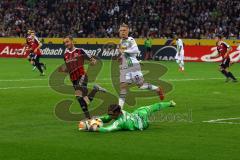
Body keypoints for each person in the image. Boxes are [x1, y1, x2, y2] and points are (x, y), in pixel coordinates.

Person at [59, 36, 107, 119]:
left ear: (72, 41)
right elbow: (69, 68)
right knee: (85, 101)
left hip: (82, 76)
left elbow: (93, 60)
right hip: (73, 79)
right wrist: (64, 70)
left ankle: (88, 118)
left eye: (67, 41)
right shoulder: (65, 55)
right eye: (65, 43)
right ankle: (89, 117)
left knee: (78, 96)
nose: (66, 44)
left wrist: (93, 62)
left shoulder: (80, 51)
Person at [117, 23, 164, 109]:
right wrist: (120, 57)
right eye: (121, 30)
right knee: (123, 86)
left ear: (128, 31)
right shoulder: (121, 42)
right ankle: (119, 109)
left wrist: (125, 52)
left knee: (141, 85)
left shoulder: (130, 40)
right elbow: (124, 54)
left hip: (133, 66)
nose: (122, 32)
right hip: (125, 67)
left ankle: (157, 89)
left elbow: (136, 50)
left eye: (124, 30)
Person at [86, 100, 176, 132]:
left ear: (117, 113)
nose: (109, 115)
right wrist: (92, 120)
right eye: (109, 113)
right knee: (150, 108)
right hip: (136, 114)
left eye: (111, 114)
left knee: (154, 107)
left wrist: (93, 128)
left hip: (142, 122)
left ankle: (170, 103)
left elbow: (107, 129)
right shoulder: (117, 114)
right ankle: (170, 103)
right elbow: (106, 118)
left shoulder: (120, 122)